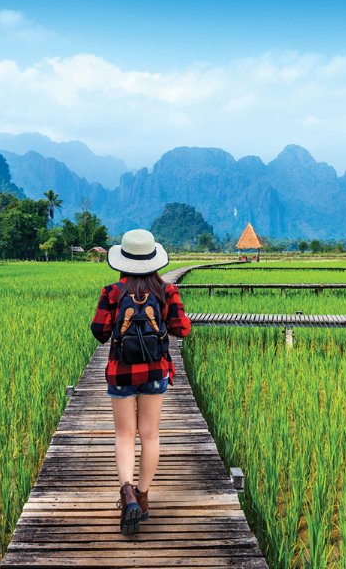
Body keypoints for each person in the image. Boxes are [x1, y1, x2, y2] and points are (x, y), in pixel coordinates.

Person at [89, 229, 192, 535]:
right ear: (153, 260)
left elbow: (99, 331)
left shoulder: (112, 291)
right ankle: (143, 498)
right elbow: (181, 329)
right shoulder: (166, 291)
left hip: (121, 371)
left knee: (124, 435)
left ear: (123, 260)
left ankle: (127, 494)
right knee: (149, 435)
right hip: (155, 371)